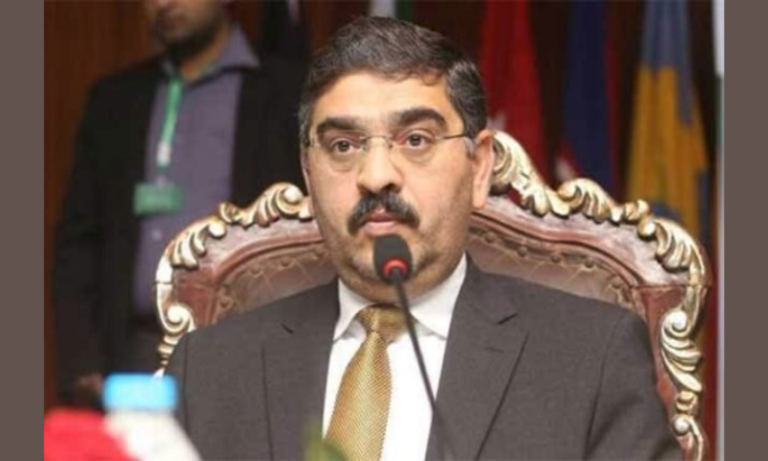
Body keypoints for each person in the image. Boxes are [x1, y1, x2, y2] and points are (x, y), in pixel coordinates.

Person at [167, 17, 681, 460]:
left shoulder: (591, 359)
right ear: (308, 172)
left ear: (479, 168)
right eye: (343, 145)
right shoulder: (208, 370)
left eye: (415, 140)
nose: (376, 176)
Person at [52, 0, 305, 404]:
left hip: (244, 355)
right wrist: (83, 363)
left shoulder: (286, 94)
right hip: (131, 356)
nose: (163, 3)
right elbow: (79, 240)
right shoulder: (115, 99)